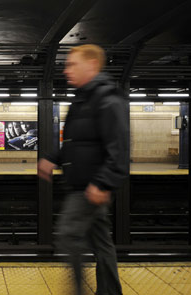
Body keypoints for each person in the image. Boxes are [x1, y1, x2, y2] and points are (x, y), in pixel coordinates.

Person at [38, 44, 129, 295]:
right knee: (102, 245)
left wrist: (104, 183)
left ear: (91, 65)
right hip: (86, 184)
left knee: (67, 235)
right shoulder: (83, 99)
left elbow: (119, 148)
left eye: (72, 64)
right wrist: (52, 157)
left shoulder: (107, 99)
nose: (66, 70)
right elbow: (77, 142)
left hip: (90, 187)